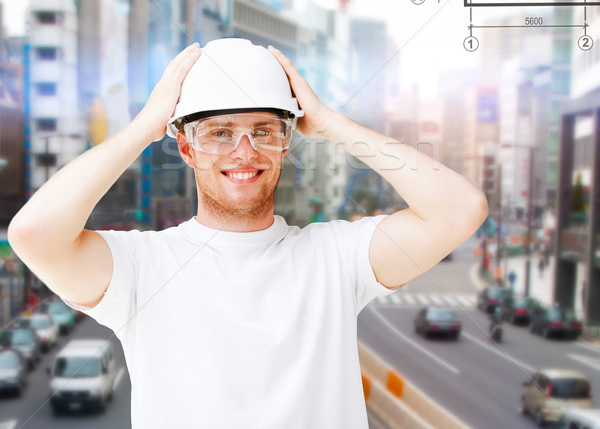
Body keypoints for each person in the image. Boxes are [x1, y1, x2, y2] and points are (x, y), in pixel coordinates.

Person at [8, 39, 488, 429]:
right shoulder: (141, 266)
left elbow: (460, 210)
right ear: (187, 148)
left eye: (264, 131)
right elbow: (33, 233)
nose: (244, 151)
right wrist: (141, 128)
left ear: (286, 143)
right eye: (219, 132)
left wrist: (331, 124)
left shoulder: (336, 257)